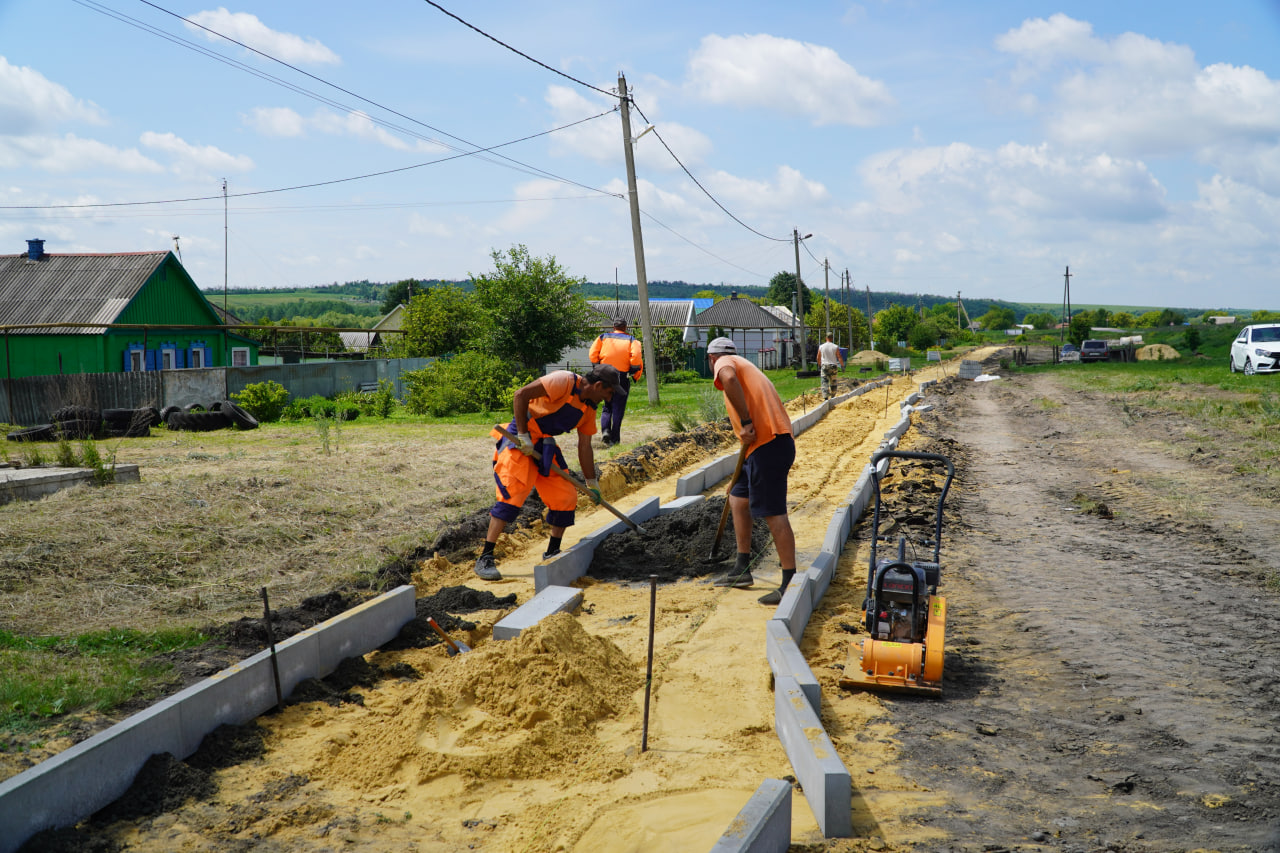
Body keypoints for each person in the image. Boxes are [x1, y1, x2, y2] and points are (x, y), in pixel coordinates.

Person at [473, 365, 624, 581]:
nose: (608, 399)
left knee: (565, 495)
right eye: (608, 393)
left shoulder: (588, 409)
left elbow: (584, 447)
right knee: (514, 490)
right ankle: (485, 557)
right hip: (520, 434)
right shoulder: (563, 381)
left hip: (544, 443)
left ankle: (552, 551)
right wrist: (524, 436)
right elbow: (520, 395)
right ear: (599, 385)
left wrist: (592, 483)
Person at [705, 337, 798, 606]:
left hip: (769, 445)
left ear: (711, 358)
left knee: (773, 513)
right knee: (738, 497)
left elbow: (729, 379)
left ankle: (789, 582)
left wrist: (745, 422)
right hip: (762, 447)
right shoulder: (745, 364)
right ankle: (742, 568)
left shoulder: (724, 362)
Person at [588, 318, 643, 447]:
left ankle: (606, 431)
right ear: (625, 327)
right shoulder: (632, 340)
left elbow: (592, 354)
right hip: (621, 377)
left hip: (604, 374)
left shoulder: (602, 337)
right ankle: (615, 438)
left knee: (607, 406)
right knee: (618, 407)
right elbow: (636, 357)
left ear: (613, 327)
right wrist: (632, 370)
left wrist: (597, 367)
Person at [818, 333, 845, 400]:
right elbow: (839, 357)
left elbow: (818, 357)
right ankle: (833, 396)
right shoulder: (835, 346)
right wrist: (842, 366)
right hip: (833, 366)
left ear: (826, 338)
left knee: (824, 381)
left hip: (825, 366)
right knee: (833, 381)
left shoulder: (821, 346)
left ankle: (825, 397)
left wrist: (819, 365)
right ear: (832, 338)